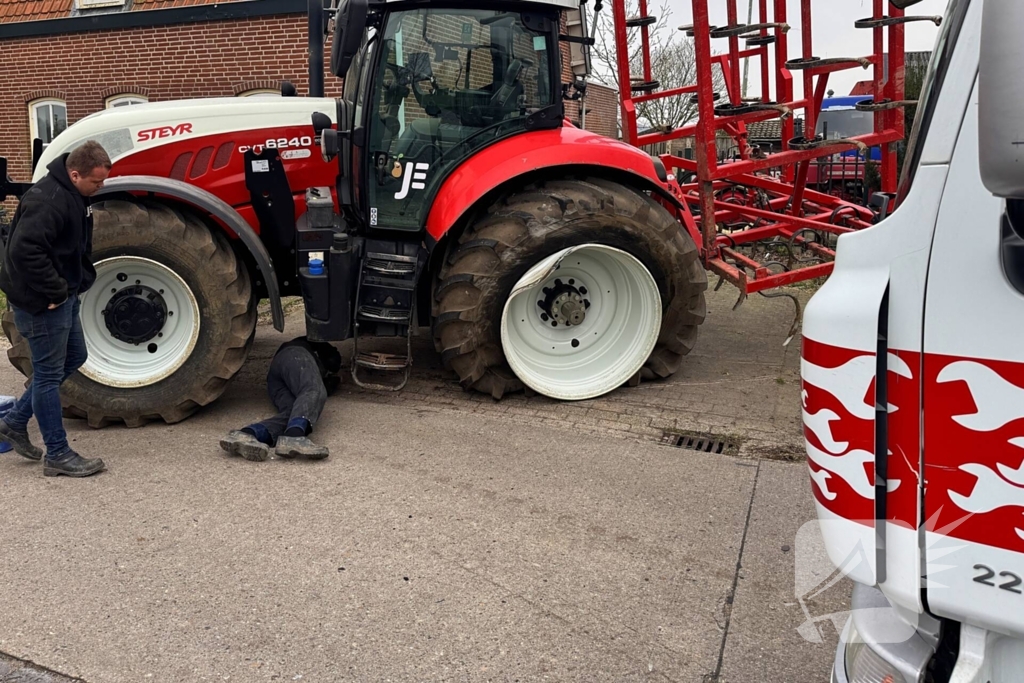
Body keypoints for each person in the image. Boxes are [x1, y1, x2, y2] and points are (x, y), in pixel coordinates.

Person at [0, 141, 110, 478]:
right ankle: (58, 454)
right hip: (42, 303)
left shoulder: (75, 195)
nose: (100, 187)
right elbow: (24, 251)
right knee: (47, 376)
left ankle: (15, 422)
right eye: (96, 182)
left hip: (63, 296)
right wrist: (56, 291)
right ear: (74, 174)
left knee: (75, 357)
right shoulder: (46, 201)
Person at [220, 337, 341, 462]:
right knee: (313, 389)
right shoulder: (312, 346)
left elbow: (309, 401)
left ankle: (248, 434)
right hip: (294, 356)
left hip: (275, 378)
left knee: (294, 413)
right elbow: (332, 363)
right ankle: (295, 438)